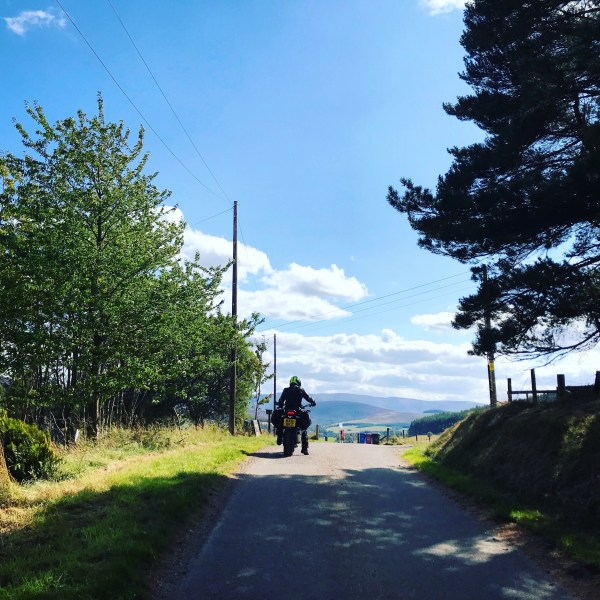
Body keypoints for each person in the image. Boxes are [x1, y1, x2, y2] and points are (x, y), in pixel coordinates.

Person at [274, 376, 316, 454]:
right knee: (303, 428)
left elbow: (281, 400)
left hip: (286, 410)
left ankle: (279, 435)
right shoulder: (301, 390)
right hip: (298, 411)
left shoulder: (286, 390)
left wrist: (280, 406)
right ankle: (304, 449)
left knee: (281, 423)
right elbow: (308, 398)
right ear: (299, 383)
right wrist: (313, 401)